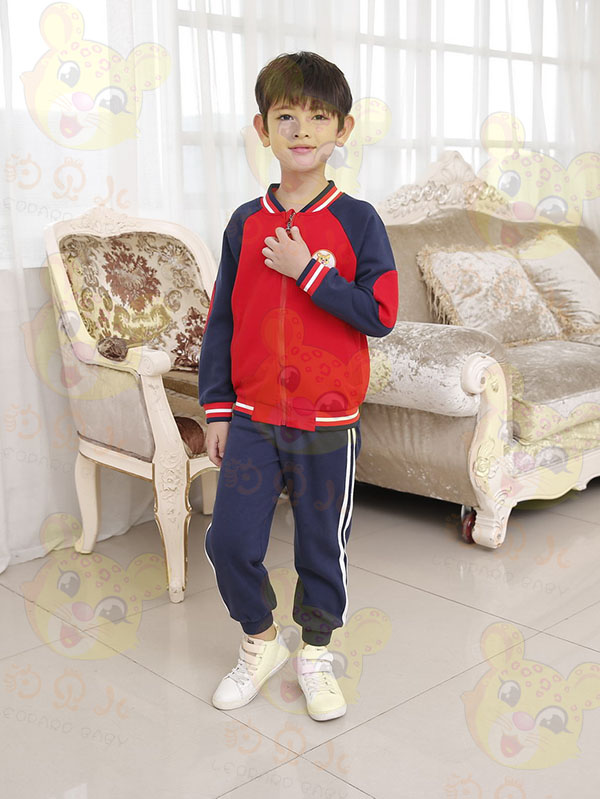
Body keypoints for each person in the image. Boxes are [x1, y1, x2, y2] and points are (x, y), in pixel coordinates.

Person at [198, 50, 398, 721]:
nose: (302, 129)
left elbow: (380, 313)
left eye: (318, 117)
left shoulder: (359, 221)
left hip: (327, 421)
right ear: (263, 129)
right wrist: (217, 410)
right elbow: (223, 320)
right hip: (252, 416)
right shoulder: (244, 222)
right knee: (229, 541)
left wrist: (308, 272)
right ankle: (260, 642)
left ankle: (314, 652)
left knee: (320, 545)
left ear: (342, 130)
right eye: (286, 116)